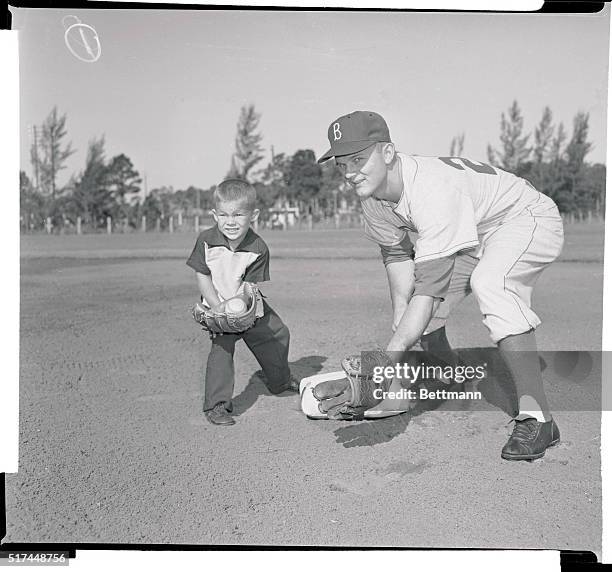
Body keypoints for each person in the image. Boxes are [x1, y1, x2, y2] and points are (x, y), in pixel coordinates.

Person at [317, 111, 564, 461]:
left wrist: (382, 367)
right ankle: (449, 373)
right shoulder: (373, 199)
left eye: (359, 159)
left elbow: (428, 291)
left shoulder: (431, 190)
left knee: (491, 283)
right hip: (474, 234)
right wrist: (399, 330)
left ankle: (540, 420)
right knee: (416, 320)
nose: (350, 173)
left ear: (387, 153)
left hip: (525, 218)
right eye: (342, 164)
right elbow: (399, 262)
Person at [186, 179, 298, 426]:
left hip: (247, 303)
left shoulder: (258, 247)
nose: (231, 221)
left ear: (253, 215)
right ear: (215, 215)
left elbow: (249, 287)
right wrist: (217, 307)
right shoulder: (206, 240)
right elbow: (202, 275)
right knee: (221, 351)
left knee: (277, 333)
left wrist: (240, 306)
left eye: (238, 214)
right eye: (224, 215)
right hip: (217, 305)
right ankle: (217, 406)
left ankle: (279, 381)